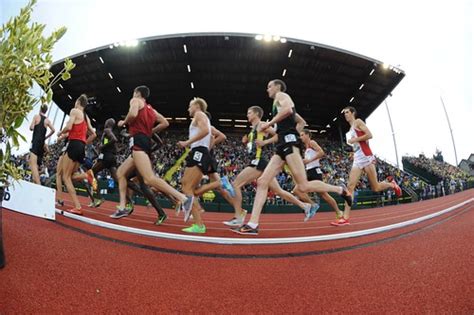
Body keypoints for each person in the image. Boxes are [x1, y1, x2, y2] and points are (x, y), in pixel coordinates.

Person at [233, 79, 352, 235]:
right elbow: (300, 121)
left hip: (289, 142)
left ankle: (340, 190)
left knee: (303, 186)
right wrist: (287, 130)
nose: (267, 89)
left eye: (269, 86)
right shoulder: (278, 103)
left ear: (277, 87)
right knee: (262, 181)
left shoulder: (281, 96)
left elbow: (289, 110)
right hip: (282, 144)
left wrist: (271, 125)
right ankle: (253, 224)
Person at [223, 106, 318, 227]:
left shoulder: (262, 124)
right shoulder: (253, 129)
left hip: (260, 162)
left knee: (236, 184)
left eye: (249, 113)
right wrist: (247, 142)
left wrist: (265, 142)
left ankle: (239, 215)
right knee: (279, 191)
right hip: (259, 162)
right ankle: (306, 206)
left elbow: (278, 135)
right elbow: (255, 144)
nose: (247, 115)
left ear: (256, 114)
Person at [110, 85, 193, 219]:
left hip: (138, 141)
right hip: (143, 141)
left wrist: (123, 122)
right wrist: (149, 132)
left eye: (133, 93)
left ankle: (183, 198)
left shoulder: (135, 100)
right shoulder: (151, 109)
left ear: (137, 93)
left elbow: (132, 114)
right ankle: (122, 207)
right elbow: (165, 123)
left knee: (149, 179)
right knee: (120, 173)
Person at [331, 106, 401, 226]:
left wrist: (355, 140)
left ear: (353, 113)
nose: (345, 115)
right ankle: (345, 218)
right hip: (358, 158)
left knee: (376, 187)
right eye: (344, 113)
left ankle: (391, 184)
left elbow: (369, 135)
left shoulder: (358, 122)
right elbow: (358, 143)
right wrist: (354, 145)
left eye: (347, 112)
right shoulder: (351, 128)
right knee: (350, 187)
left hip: (367, 157)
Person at [179, 98, 232, 233]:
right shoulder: (199, 117)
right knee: (187, 187)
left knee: (187, 188)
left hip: (198, 152)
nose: (188, 109)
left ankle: (199, 225)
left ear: (197, 106)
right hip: (198, 152)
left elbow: (205, 131)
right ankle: (198, 221)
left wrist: (187, 142)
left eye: (190, 106)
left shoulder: (199, 114)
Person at [57, 94, 96, 214]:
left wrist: (60, 133)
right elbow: (94, 134)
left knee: (66, 177)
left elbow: (69, 126)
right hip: (81, 147)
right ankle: (86, 176)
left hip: (73, 145)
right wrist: (83, 142)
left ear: (78, 102)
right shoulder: (86, 117)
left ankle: (78, 207)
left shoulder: (75, 111)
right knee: (71, 175)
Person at [293, 129, 343, 219]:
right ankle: (313, 205)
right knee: (297, 190)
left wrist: (309, 160)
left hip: (315, 171)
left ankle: (338, 212)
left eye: (302, 135)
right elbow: (308, 160)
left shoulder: (312, 142)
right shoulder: (306, 148)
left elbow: (321, 152)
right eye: (300, 135)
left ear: (308, 135)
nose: (301, 137)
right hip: (308, 172)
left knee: (324, 195)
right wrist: (304, 162)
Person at [29, 104, 55, 184]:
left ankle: (38, 185)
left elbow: (31, 128)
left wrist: (34, 126)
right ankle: (35, 185)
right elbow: (53, 130)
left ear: (40, 109)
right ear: (46, 111)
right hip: (42, 144)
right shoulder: (47, 120)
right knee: (36, 167)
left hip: (36, 142)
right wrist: (46, 137)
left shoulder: (36, 116)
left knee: (32, 165)